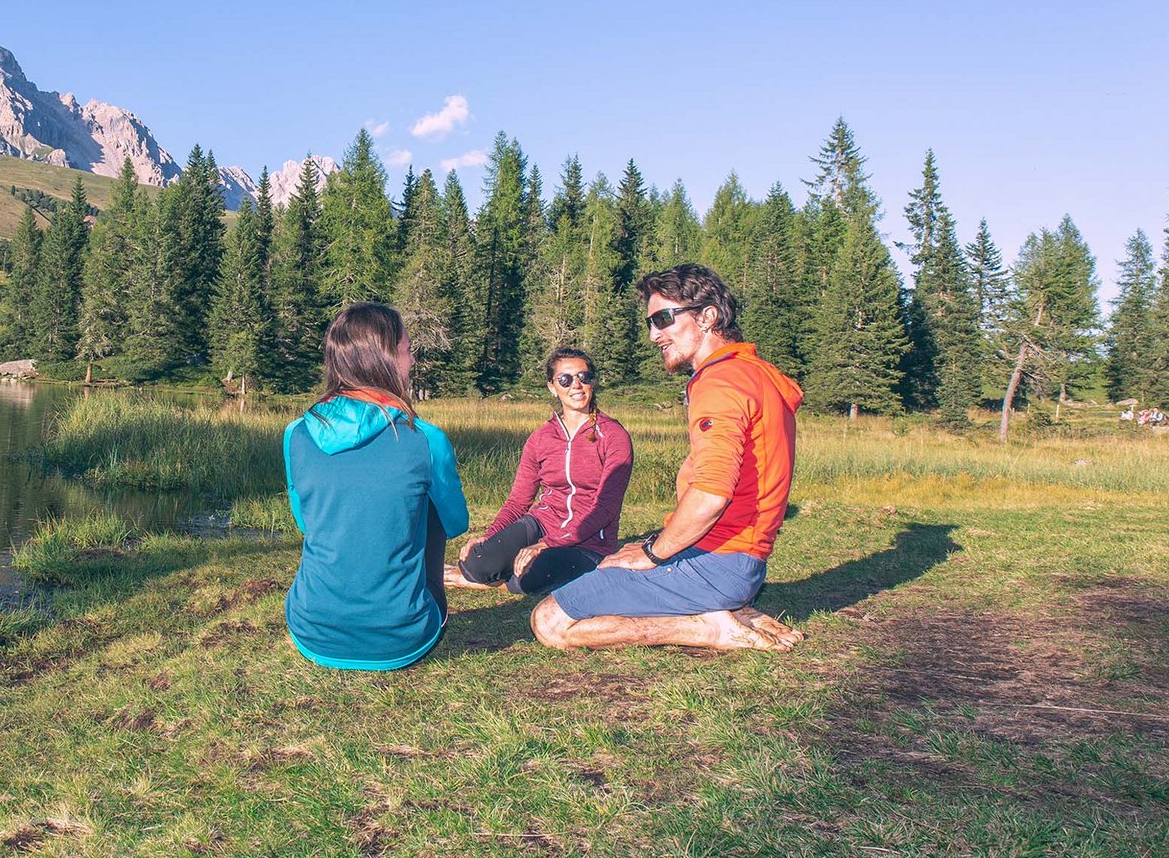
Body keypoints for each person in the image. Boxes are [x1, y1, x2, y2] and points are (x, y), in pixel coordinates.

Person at [532, 263, 807, 652]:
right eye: (650, 322)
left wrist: (651, 553)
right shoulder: (756, 373)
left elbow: (712, 494)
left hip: (718, 562)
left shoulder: (721, 382)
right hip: (734, 559)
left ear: (708, 316)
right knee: (610, 567)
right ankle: (728, 608)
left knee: (550, 621)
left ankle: (709, 629)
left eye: (663, 319)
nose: (654, 335)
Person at [284, 302, 471, 670]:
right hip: (403, 637)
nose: (412, 361)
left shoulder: (296, 434)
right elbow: (456, 523)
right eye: (406, 350)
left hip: (311, 629)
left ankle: (336, 610)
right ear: (382, 358)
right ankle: (402, 612)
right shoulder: (426, 438)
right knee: (431, 507)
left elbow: (306, 523)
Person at [445, 348, 632, 594]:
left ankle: (501, 579)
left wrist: (548, 544)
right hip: (542, 523)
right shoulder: (541, 438)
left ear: (592, 381)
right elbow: (518, 501)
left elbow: (605, 508)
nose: (576, 385)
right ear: (553, 387)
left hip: (588, 541)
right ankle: (485, 574)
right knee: (477, 563)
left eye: (584, 377)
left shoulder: (614, 436)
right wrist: (490, 536)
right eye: (565, 379)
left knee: (533, 576)